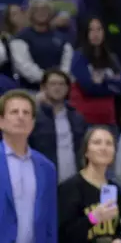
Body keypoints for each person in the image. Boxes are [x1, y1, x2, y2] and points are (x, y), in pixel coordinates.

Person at [0, 89, 57, 243]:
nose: (20, 117)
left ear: (32, 123)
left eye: (26, 113)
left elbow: (50, 221)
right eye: (14, 112)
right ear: (1, 121)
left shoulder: (47, 168)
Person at [58, 126, 121, 243]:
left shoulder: (116, 190)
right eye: (97, 142)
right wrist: (93, 218)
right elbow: (64, 235)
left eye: (109, 143)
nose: (103, 148)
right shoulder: (70, 188)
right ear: (86, 152)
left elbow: (117, 230)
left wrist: (119, 239)